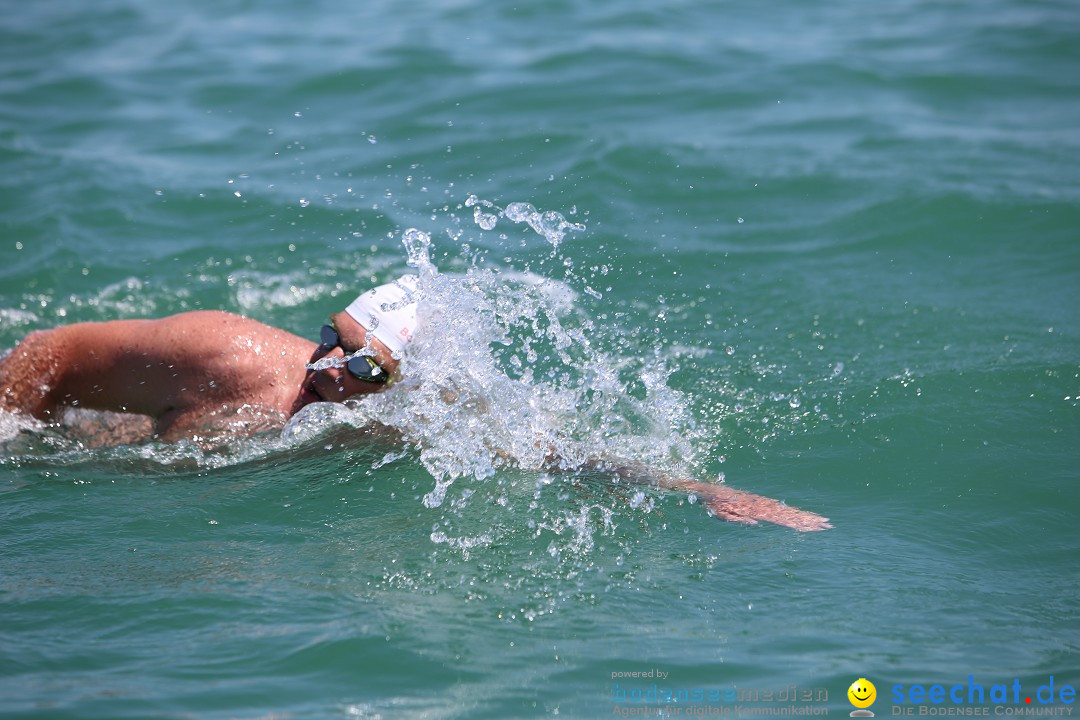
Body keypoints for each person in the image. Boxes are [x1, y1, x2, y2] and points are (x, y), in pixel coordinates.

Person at [0, 275, 830, 531]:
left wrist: (696, 491)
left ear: (401, 385)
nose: (330, 372)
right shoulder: (220, 350)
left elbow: (557, 457)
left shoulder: (400, 423)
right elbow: (51, 355)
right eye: (332, 339)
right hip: (64, 447)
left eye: (365, 370)